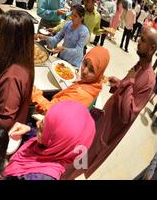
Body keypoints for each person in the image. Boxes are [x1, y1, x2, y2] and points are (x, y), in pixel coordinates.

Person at [64, 28, 157, 179]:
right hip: (103, 120)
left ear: (152, 48)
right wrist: (120, 83)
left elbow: (127, 115)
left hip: (107, 132)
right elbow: (128, 91)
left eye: (143, 40)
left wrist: (129, 83)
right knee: (79, 151)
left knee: (81, 161)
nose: (138, 42)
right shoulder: (140, 65)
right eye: (140, 38)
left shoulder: (149, 80)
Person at [3, 101, 95, 180]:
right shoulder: (54, 149)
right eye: (43, 120)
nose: (37, 123)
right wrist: (28, 130)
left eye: (42, 128)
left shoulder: (39, 177)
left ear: (58, 142)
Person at [32, 46, 110, 114]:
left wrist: (35, 94)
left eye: (92, 70)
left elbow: (51, 111)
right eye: (85, 63)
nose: (85, 71)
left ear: (99, 73)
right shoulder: (95, 84)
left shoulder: (82, 94)